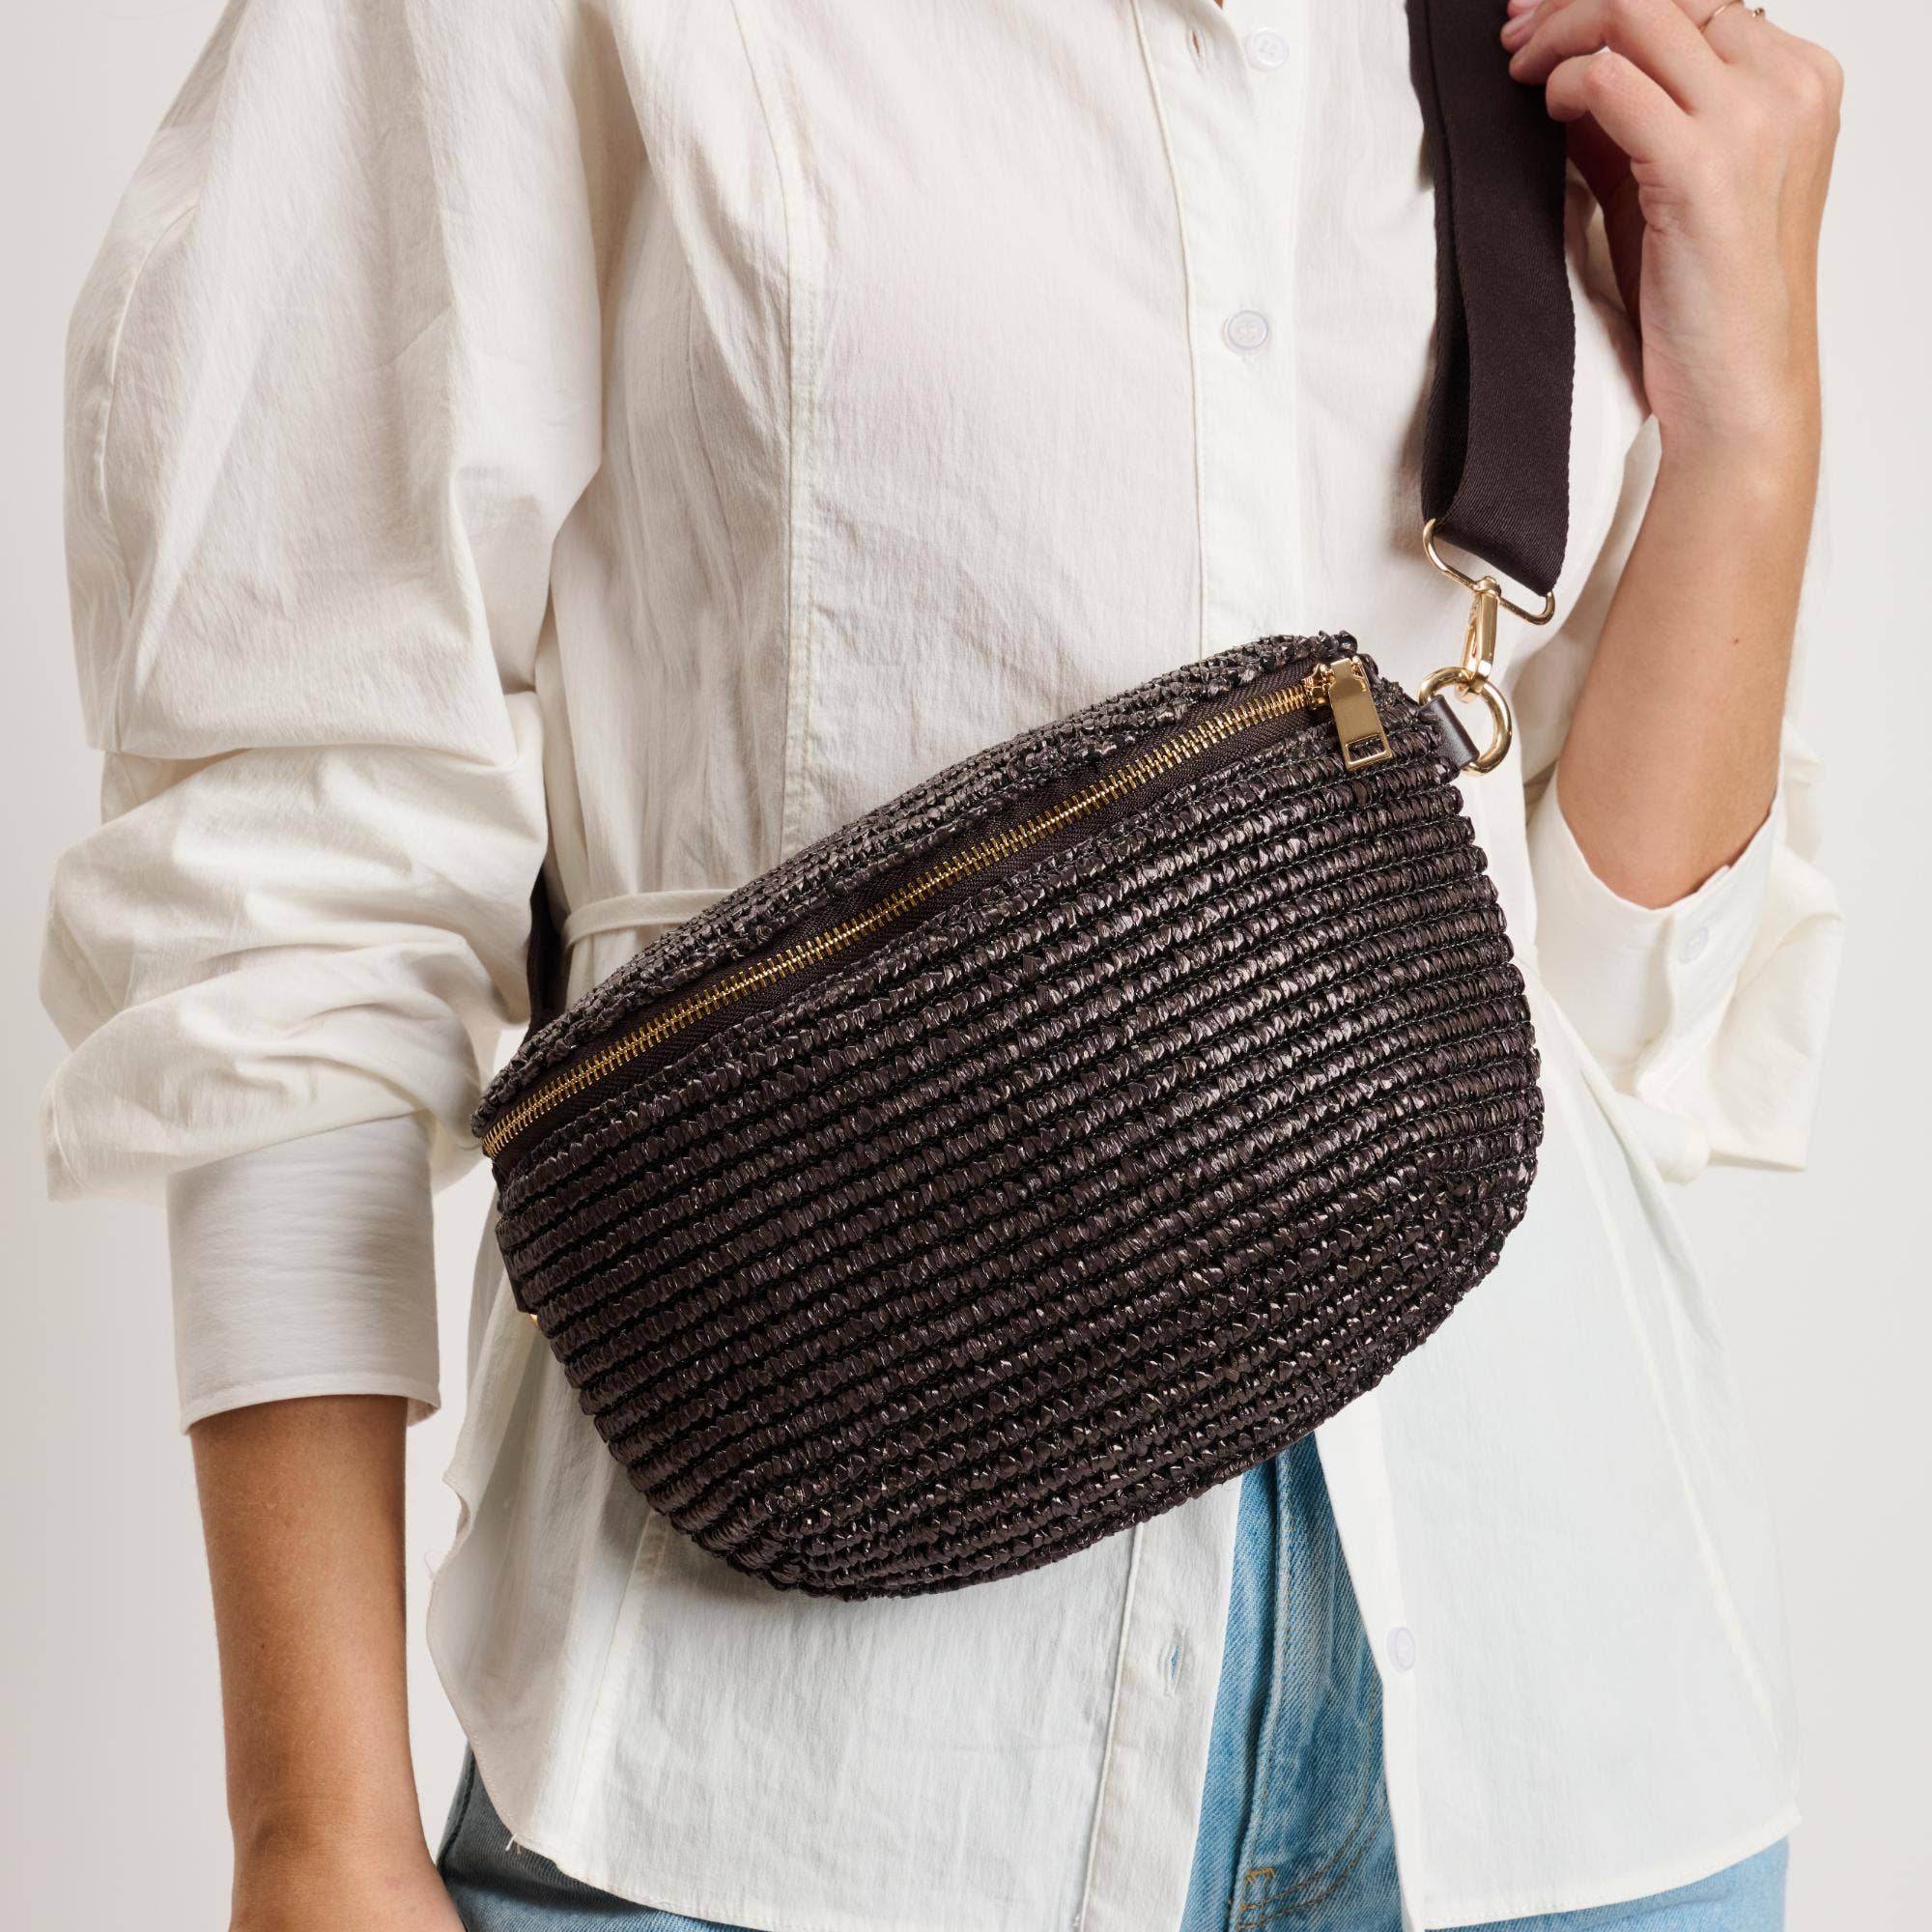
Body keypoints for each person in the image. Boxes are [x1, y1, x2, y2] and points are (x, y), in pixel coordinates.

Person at [39, 3, 1847, 1929]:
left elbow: (1597, 986)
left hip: (1569, 1754)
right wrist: (314, 1825)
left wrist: (1750, 432)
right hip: (797, 1769)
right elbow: (297, 852)